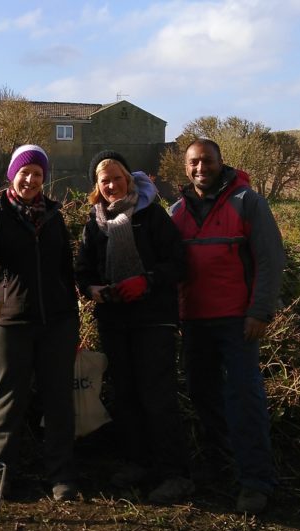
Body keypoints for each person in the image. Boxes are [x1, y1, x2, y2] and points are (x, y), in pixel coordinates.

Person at [171, 138, 286, 513]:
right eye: (193, 163)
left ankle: (255, 481)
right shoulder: (176, 211)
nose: (200, 168)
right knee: (204, 397)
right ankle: (220, 468)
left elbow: (270, 259)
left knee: (244, 399)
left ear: (221, 163)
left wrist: (260, 311)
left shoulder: (247, 202)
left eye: (207, 161)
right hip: (194, 322)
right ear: (185, 168)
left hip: (238, 322)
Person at [74, 150, 193, 503]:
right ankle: (137, 462)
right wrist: (93, 289)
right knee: (125, 395)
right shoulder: (94, 224)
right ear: (97, 186)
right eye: (103, 180)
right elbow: (82, 271)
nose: (111, 185)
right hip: (114, 320)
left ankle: (174, 473)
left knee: (157, 395)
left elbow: (179, 264)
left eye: (116, 178)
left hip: (153, 319)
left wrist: (148, 280)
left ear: (129, 179)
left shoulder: (151, 216)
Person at [0, 144, 80, 501]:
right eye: (25, 172)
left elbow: (66, 266)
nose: (30, 179)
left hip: (57, 322)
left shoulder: (53, 215)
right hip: (11, 320)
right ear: (12, 174)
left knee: (59, 401)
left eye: (37, 174)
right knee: (6, 400)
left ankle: (61, 476)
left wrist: (73, 313)